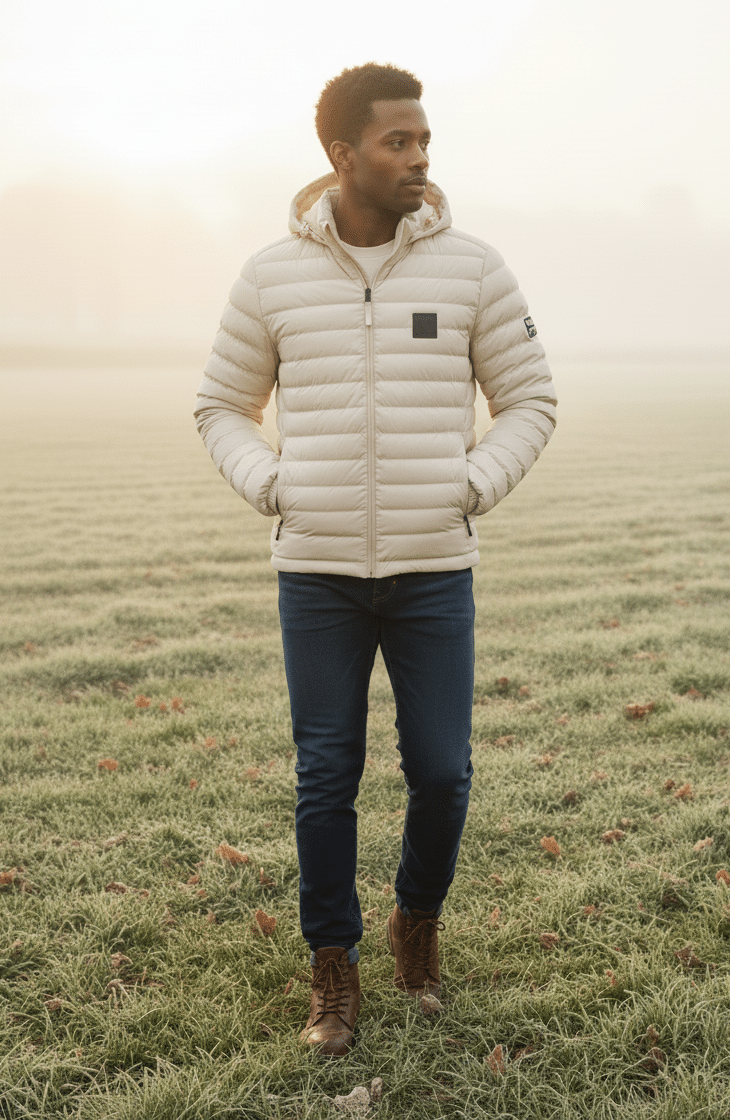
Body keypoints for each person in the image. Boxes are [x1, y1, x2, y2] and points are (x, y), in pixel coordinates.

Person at [194, 62, 556, 1057]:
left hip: (434, 568)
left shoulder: (472, 269)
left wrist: (470, 484)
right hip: (316, 576)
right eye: (397, 142)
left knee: (441, 772)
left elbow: (530, 398)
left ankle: (416, 921)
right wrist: (273, 485)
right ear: (342, 153)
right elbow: (221, 405)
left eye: (424, 141)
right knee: (326, 775)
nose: (418, 158)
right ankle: (333, 966)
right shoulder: (270, 276)